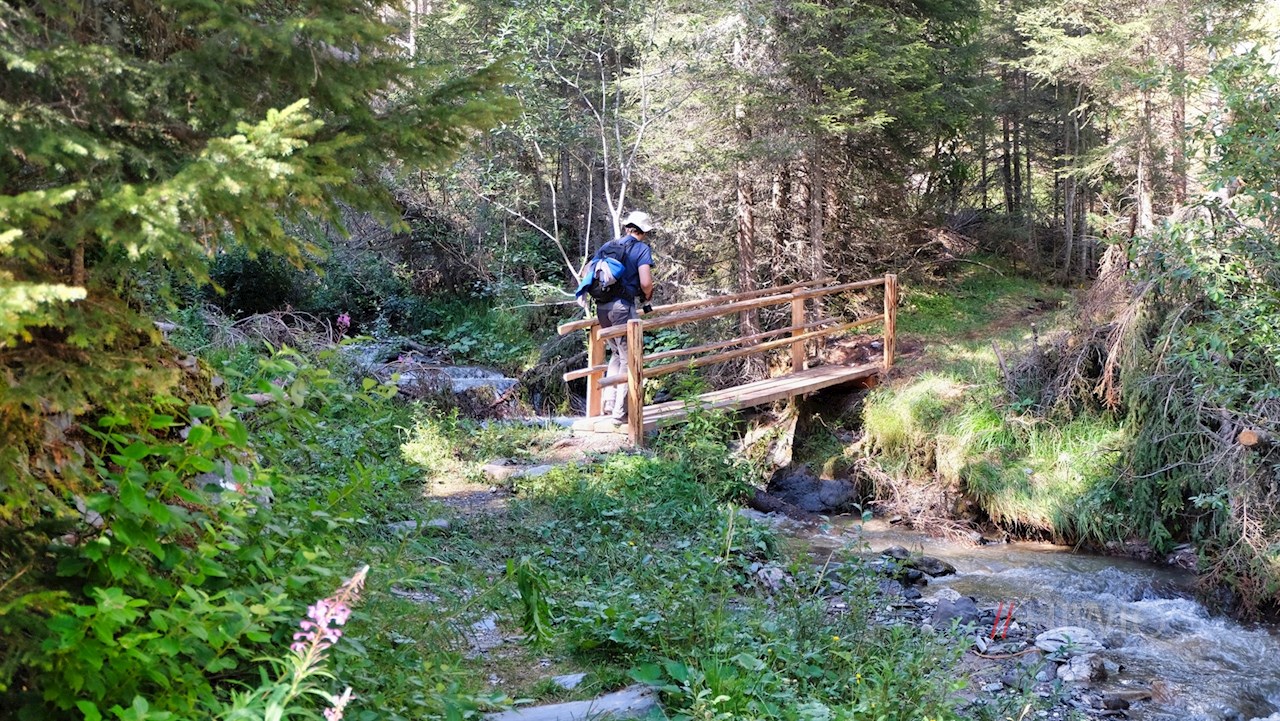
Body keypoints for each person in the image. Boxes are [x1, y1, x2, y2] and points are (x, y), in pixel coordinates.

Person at [584, 210, 655, 423]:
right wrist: (647, 295)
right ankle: (620, 411)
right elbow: (645, 282)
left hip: (602, 307)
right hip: (622, 307)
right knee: (628, 356)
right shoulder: (642, 249)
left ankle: (609, 402)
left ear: (627, 227)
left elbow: (587, 271)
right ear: (643, 231)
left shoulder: (608, 246)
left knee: (616, 353)